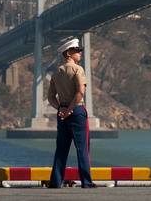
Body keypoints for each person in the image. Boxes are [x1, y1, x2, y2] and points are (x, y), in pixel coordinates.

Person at [47, 37, 95, 188]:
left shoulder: (56, 73)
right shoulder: (78, 69)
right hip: (77, 111)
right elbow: (80, 92)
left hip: (62, 114)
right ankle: (86, 182)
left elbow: (50, 97)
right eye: (77, 51)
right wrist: (71, 110)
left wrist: (61, 109)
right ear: (68, 53)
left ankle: (56, 181)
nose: (80, 53)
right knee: (82, 148)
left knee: (61, 148)